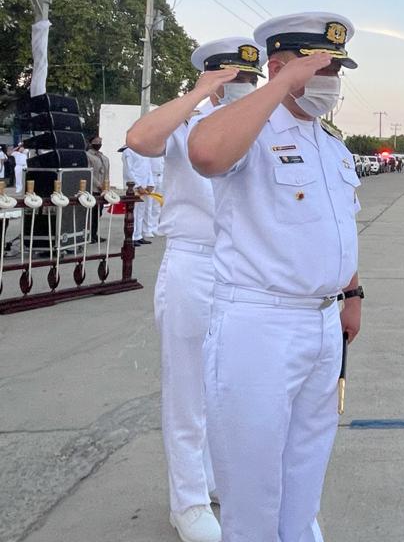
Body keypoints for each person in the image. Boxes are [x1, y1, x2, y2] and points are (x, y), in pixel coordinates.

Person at [188, 12, 363, 542]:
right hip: (260, 325)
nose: (332, 83)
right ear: (281, 66)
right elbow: (206, 153)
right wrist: (281, 85)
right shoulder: (251, 130)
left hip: (322, 323)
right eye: (322, 69)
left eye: (338, 71)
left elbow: (336, 227)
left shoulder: (331, 144)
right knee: (252, 484)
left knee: (304, 474)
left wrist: (352, 293)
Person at [126, 37, 265, 542]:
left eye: (249, 80)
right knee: (187, 388)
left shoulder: (257, 130)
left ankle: (215, 479)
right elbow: (140, 139)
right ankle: (186, 501)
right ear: (210, 79)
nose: (242, 90)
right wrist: (198, 94)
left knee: (229, 387)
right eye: (232, 80)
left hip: (245, 270)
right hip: (193, 261)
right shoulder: (183, 126)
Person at [120, 146, 154, 245]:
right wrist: (138, 186)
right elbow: (129, 170)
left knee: (141, 212)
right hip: (133, 187)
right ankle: (131, 237)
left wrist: (150, 184)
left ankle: (138, 235)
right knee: (133, 212)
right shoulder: (128, 151)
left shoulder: (144, 150)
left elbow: (148, 169)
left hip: (144, 186)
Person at [85, 136, 111, 244]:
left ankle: (94, 234)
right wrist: (99, 185)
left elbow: (106, 172)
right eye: (96, 142)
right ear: (90, 143)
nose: (99, 143)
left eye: (100, 141)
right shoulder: (88, 156)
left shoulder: (103, 157)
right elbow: (88, 172)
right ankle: (88, 235)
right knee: (91, 214)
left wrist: (106, 185)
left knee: (98, 213)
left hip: (102, 190)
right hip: (93, 188)